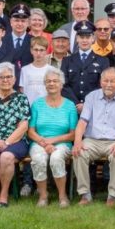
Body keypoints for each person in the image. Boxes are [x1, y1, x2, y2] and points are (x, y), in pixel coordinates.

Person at [68, 67, 115, 206]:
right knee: (79, 153)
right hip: (92, 140)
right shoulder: (91, 97)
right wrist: (77, 141)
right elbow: (82, 121)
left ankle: (112, 196)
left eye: (112, 81)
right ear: (100, 82)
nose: (108, 84)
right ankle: (85, 195)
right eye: (105, 81)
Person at [0, 63, 32, 207]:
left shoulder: (21, 98)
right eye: (1, 77)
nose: (5, 80)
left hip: (15, 141)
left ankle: (4, 195)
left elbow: (24, 125)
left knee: (6, 156)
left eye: (8, 77)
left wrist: (7, 142)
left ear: (14, 79)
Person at [28, 67, 78, 207]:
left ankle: (62, 196)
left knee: (56, 158)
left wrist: (53, 141)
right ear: (45, 84)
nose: (51, 84)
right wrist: (44, 143)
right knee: (38, 159)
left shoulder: (70, 106)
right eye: (48, 81)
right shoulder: (37, 104)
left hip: (63, 143)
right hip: (39, 142)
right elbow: (30, 131)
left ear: (61, 84)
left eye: (55, 81)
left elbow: (73, 134)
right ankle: (43, 196)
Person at [61, 21, 109, 108]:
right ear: (77, 38)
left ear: (93, 39)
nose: (84, 40)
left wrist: (87, 104)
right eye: (82, 37)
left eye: (87, 37)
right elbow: (64, 85)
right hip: (71, 107)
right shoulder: (67, 61)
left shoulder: (103, 61)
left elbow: (103, 85)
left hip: (94, 107)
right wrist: (76, 104)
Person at [19, 36, 53, 106]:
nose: (38, 53)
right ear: (31, 50)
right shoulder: (24, 70)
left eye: (41, 50)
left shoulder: (52, 70)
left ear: (46, 51)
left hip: (46, 107)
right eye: (36, 50)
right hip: (29, 107)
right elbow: (22, 91)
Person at [5, 3, 34, 69]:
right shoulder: (2, 41)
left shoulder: (34, 41)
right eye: (16, 20)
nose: (20, 24)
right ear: (11, 22)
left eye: (23, 21)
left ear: (28, 23)